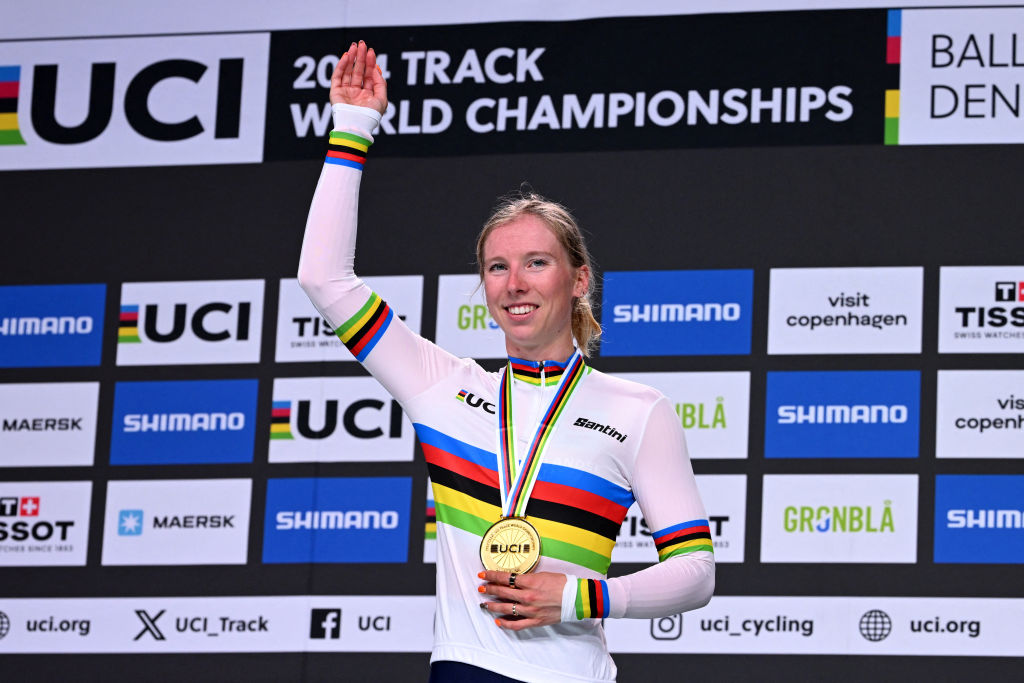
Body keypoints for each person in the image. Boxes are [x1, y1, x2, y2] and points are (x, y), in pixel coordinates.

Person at [298, 40, 714, 683]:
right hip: (465, 668)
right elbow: (325, 279)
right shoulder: (442, 388)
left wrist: (583, 597)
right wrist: (352, 129)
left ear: (579, 280)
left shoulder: (637, 410)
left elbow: (695, 574)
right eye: (497, 267)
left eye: (536, 263)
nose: (514, 283)